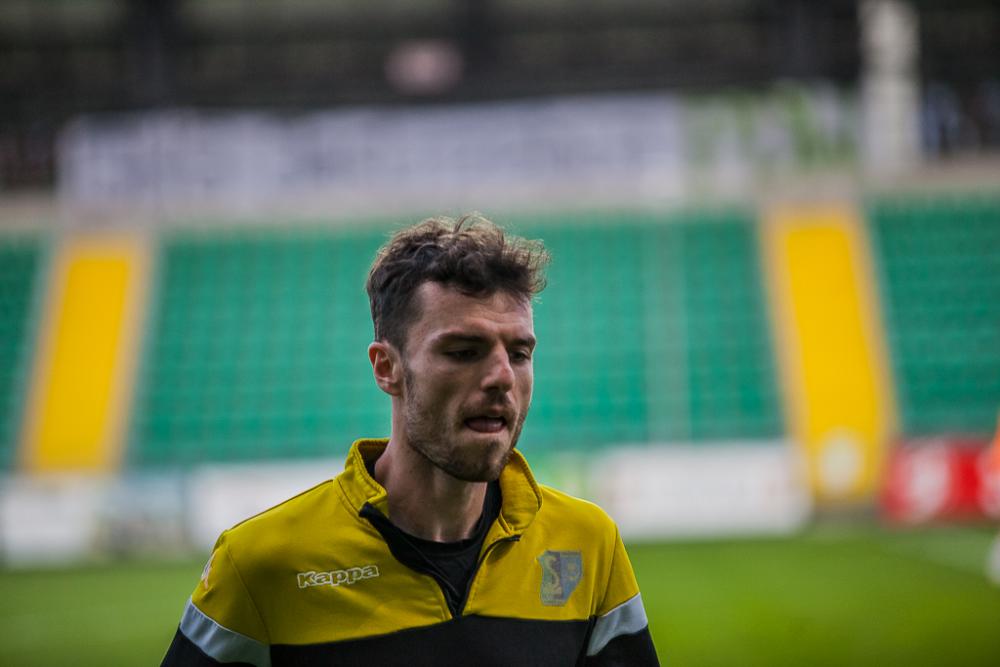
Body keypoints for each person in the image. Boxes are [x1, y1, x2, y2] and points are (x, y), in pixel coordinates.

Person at [161, 215, 660, 666]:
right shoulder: (260, 565)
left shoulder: (588, 544)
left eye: (520, 354)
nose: (502, 378)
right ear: (387, 367)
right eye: (464, 351)